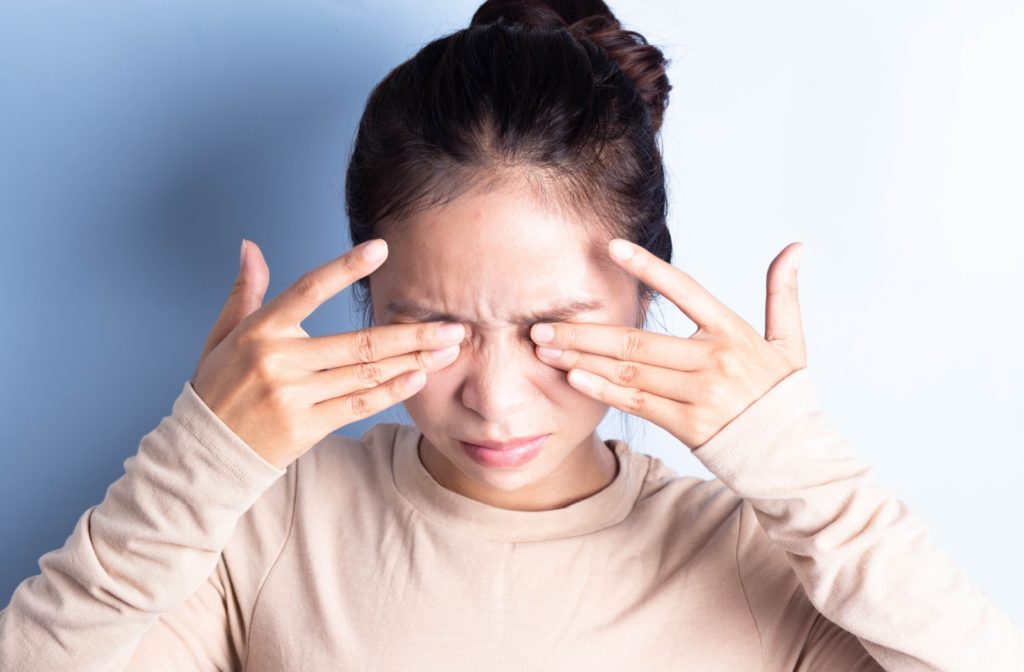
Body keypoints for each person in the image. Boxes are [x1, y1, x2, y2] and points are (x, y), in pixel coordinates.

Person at [2, 1, 1022, 670]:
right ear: (367, 297)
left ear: (646, 298)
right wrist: (200, 456)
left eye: (551, 329)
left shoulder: (755, 560)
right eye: (431, 323)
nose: (494, 396)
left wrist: (801, 465)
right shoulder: (262, 530)